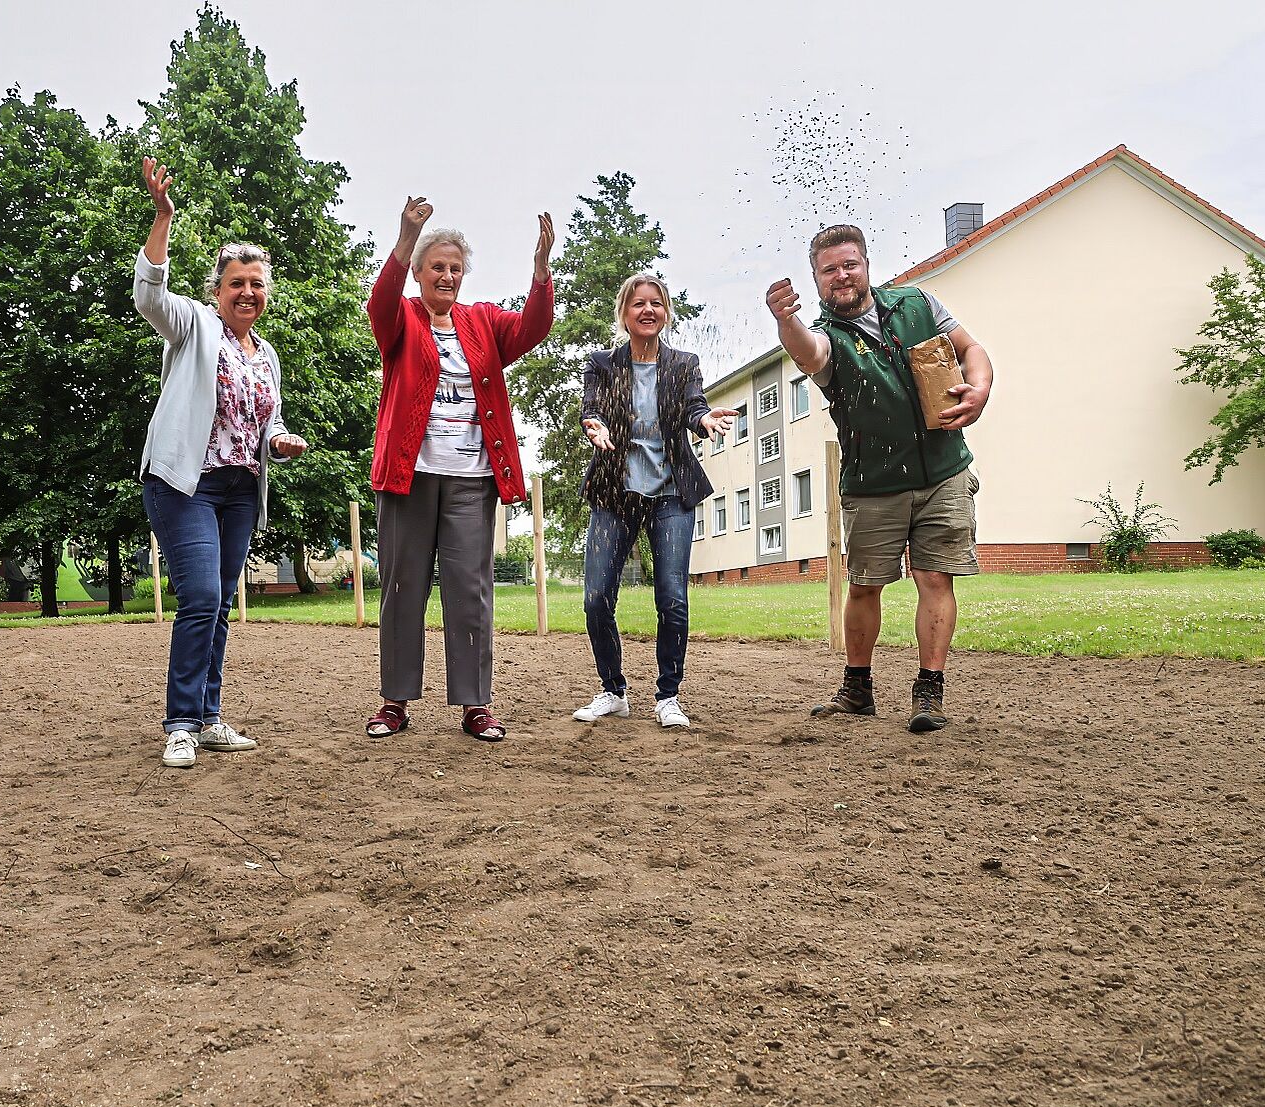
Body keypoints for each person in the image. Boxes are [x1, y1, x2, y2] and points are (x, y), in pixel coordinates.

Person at [765, 224, 993, 733]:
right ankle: (857, 689)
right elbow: (807, 352)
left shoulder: (916, 305)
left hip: (944, 472)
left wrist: (978, 391)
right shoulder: (827, 336)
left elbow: (971, 349)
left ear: (867, 265)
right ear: (817, 280)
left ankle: (929, 693)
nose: (841, 277)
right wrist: (785, 319)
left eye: (850, 265)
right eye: (829, 271)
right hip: (873, 482)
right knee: (865, 585)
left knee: (936, 578)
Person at [133, 157, 307, 768]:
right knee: (202, 595)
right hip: (184, 483)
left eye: (257, 284)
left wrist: (280, 440)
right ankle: (180, 721)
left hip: (239, 489)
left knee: (220, 601)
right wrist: (163, 217)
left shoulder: (268, 355)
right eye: (237, 283)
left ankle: (208, 716)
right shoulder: (192, 326)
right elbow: (149, 292)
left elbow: (267, 419)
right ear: (217, 291)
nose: (248, 293)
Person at [364, 196, 555, 742]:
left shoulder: (483, 321)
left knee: (470, 589)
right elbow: (379, 304)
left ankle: (475, 705)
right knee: (403, 586)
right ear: (419, 273)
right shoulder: (401, 316)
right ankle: (395, 702)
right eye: (436, 267)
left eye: (455, 268)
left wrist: (541, 270)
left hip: (472, 477)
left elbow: (533, 328)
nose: (446, 276)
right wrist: (405, 238)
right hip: (409, 475)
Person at [572, 273, 738, 729]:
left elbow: (693, 406)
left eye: (656, 304)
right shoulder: (603, 363)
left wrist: (704, 422)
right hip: (616, 492)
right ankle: (613, 690)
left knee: (672, 598)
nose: (648, 310)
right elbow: (591, 408)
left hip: (670, 492)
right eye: (638, 304)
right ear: (625, 313)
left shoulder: (683, 362)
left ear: (665, 313)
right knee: (596, 597)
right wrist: (595, 426)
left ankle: (668, 696)